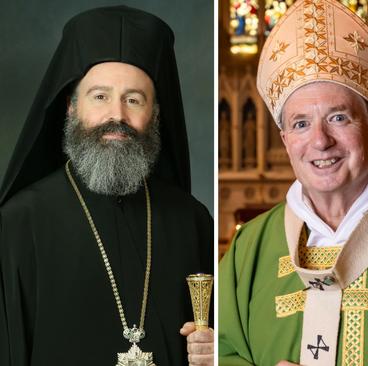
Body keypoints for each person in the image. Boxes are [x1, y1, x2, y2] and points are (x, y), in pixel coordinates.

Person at [218, 0, 368, 365]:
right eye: (301, 124)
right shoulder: (248, 248)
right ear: (286, 142)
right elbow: (224, 350)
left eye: (338, 117)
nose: (320, 141)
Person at [0, 6, 214, 365]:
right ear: (70, 107)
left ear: (155, 114)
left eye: (134, 99)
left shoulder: (192, 222)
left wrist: (215, 354)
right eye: (100, 96)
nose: (117, 115)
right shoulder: (18, 225)